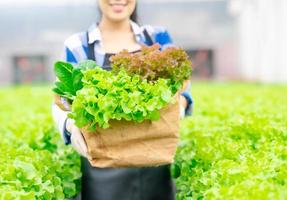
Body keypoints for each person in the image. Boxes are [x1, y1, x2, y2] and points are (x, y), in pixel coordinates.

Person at [52, 0, 193, 199]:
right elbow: (61, 99)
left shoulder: (157, 37)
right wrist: (70, 125)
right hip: (102, 171)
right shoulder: (78, 44)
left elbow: (183, 85)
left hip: (155, 163)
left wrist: (179, 105)